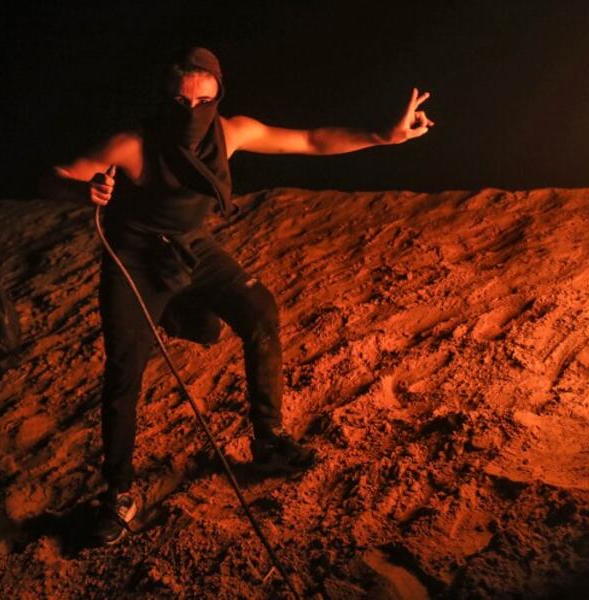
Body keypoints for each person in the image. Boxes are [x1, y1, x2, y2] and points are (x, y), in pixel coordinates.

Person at [40, 47, 433, 545]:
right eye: (181, 103)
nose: (193, 113)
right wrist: (82, 191)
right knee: (124, 375)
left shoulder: (232, 132)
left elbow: (310, 140)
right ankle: (119, 493)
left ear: (217, 96)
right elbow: (54, 175)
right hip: (135, 262)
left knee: (258, 310)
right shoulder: (133, 144)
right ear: (164, 98)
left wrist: (382, 135)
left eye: (203, 101)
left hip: (192, 249)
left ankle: (268, 441)